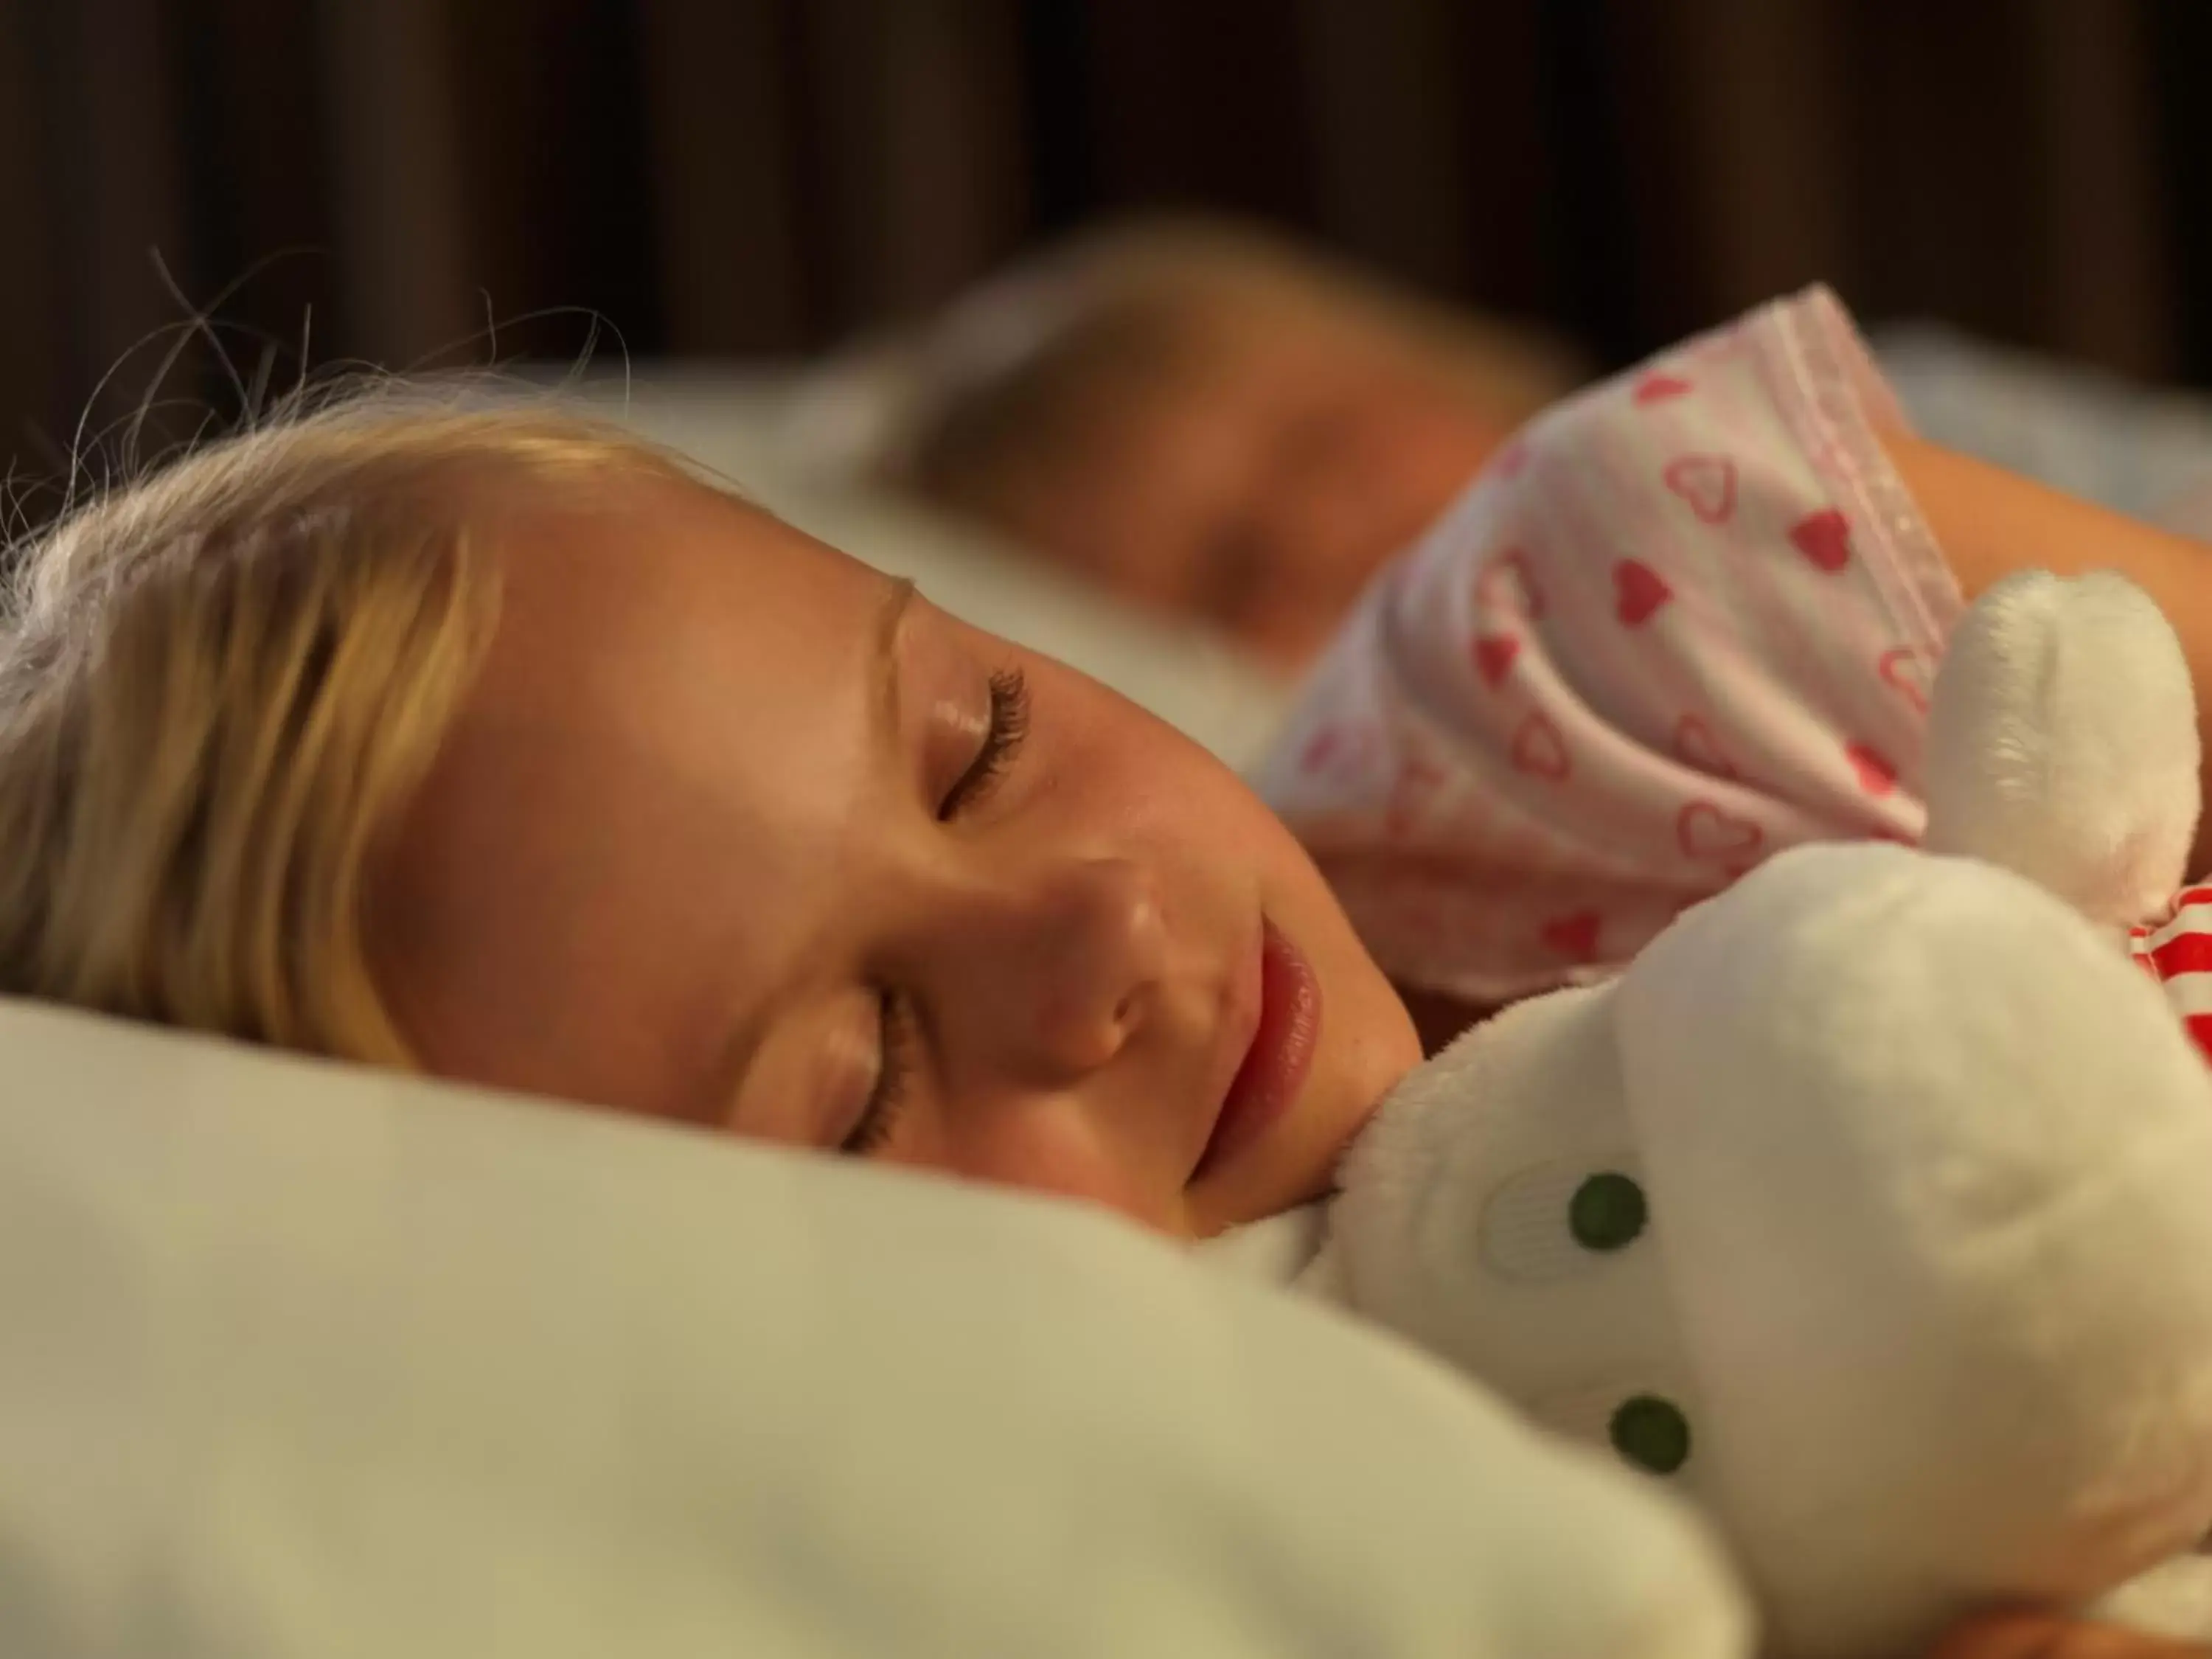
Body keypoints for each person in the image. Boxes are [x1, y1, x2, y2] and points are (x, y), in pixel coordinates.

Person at [5, 315, 2212, 1655]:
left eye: (980, 741)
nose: (1100, 944)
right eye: (862, 1077)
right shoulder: (1299, 1546)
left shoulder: (1642, 628)